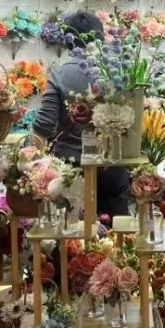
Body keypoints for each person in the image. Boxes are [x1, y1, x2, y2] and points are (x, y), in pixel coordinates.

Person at [33, 12, 130, 218]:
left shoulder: (59, 75)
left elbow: (44, 125)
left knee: (75, 232)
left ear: (68, 41)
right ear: (100, 36)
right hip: (112, 167)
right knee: (117, 231)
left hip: (71, 170)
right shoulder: (116, 73)